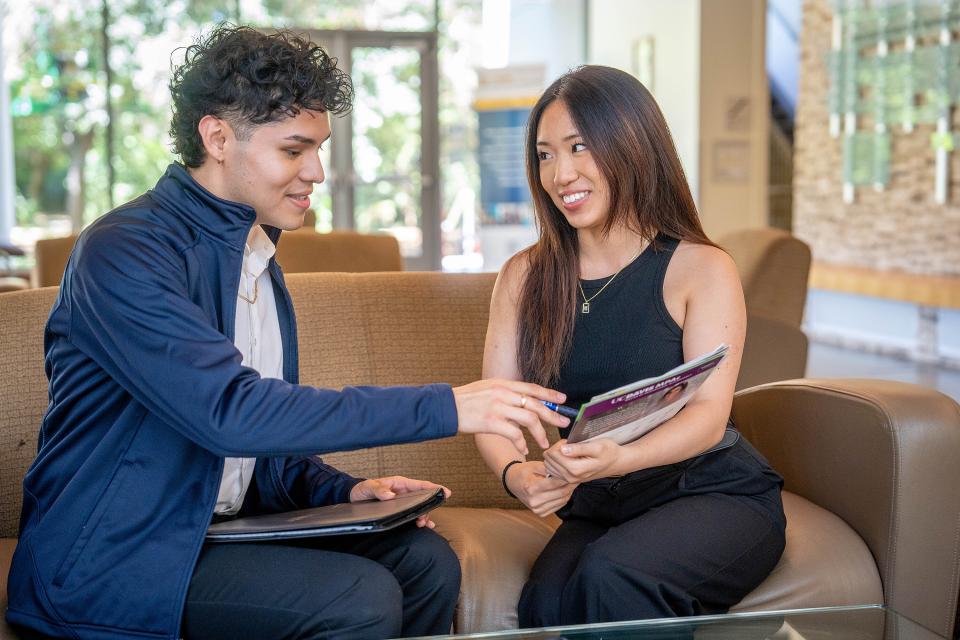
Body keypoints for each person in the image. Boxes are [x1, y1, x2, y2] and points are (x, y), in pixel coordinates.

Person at [4, 26, 569, 640]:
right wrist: (448, 405)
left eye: (320, 149)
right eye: (294, 150)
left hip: (203, 538)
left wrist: (347, 490)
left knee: (425, 565)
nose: (318, 172)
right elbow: (229, 413)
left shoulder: (254, 256)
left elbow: (257, 456)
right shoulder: (123, 252)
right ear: (217, 137)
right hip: (113, 560)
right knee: (358, 598)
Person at [476, 65, 786, 627]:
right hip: (604, 504)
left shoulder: (699, 267)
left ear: (632, 145)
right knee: (544, 605)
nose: (560, 172)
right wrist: (512, 474)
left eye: (579, 147)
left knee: (613, 577)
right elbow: (497, 410)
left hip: (711, 492)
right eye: (545, 154)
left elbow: (710, 417)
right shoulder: (523, 275)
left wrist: (624, 457)